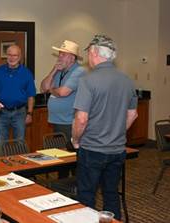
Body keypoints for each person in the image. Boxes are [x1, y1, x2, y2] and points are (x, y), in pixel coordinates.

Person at [71, 35, 138, 220]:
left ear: (94, 53)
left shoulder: (88, 81)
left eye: (89, 53)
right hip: (117, 149)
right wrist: (116, 132)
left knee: (86, 196)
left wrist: (75, 140)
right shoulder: (127, 80)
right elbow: (132, 114)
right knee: (110, 194)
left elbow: (81, 119)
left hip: (92, 149)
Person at [0, 45, 36, 147]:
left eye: (15, 55)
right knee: (2, 143)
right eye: (9, 55)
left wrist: (30, 113)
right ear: (6, 56)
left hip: (20, 113)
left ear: (20, 57)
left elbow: (31, 96)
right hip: (0, 112)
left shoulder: (26, 73)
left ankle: (18, 163)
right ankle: (3, 163)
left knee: (19, 143)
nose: (12, 58)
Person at [41, 40, 86, 140]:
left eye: (63, 54)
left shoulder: (79, 71)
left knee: (69, 152)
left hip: (69, 122)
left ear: (72, 58)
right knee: (59, 152)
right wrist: (53, 71)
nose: (59, 57)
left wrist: (51, 90)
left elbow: (63, 92)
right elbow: (44, 88)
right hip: (57, 120)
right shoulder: (60, 70)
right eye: (59, 54)